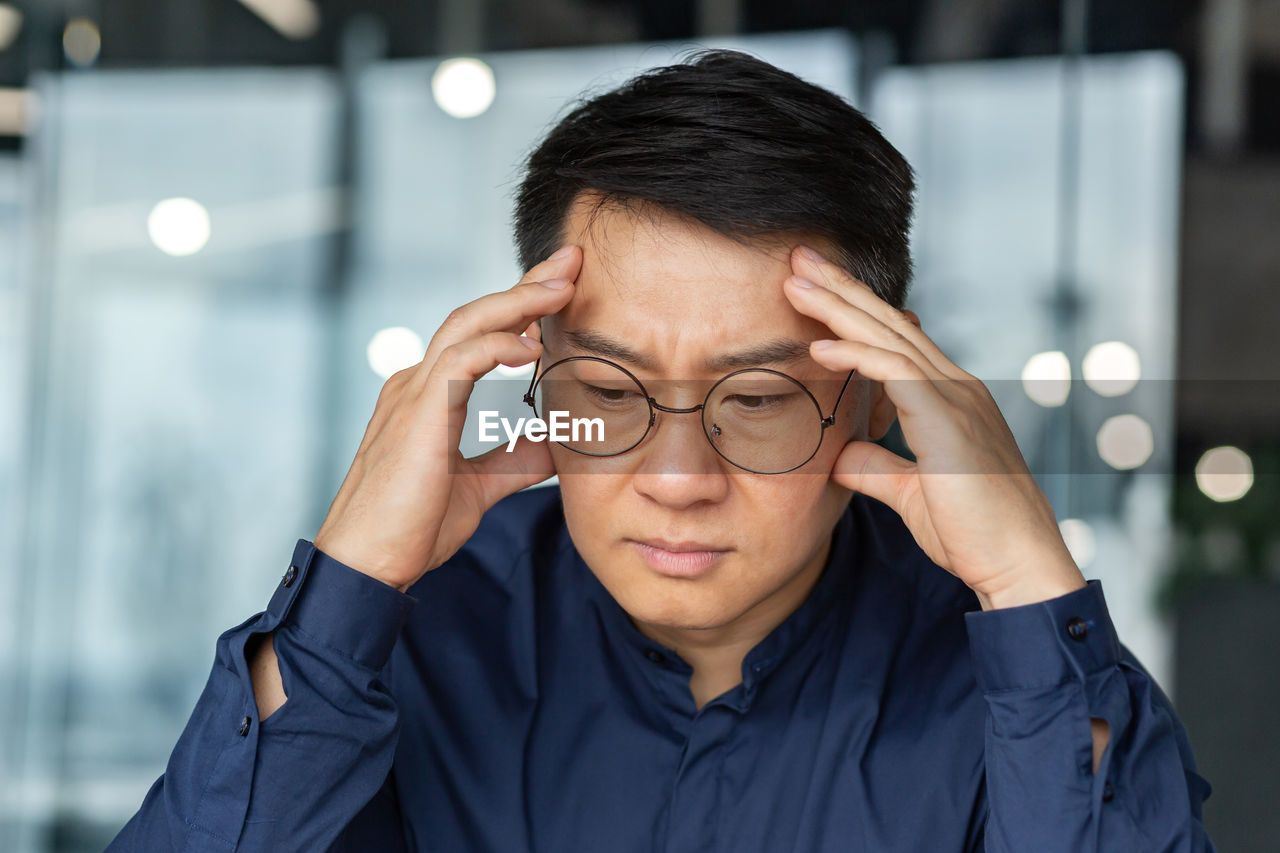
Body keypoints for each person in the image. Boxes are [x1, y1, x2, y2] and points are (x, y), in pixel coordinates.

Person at [109, 49, 1214, 851]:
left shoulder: (1022, 688)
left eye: (762, 397)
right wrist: (346, 586)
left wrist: (1025, 584)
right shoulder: (400, 652)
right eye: (606, 387)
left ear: (880, 398)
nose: (678, 479)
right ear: (535, 372)